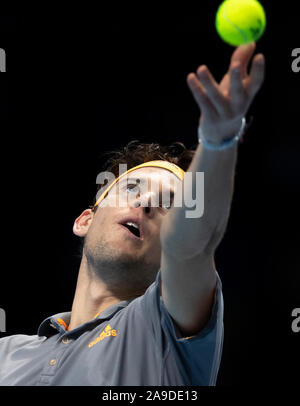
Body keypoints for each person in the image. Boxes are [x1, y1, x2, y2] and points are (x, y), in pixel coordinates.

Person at [0, 43, 265, 386]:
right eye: (132, 187)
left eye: (171, 205)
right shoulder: (7, 354)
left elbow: (190, 245)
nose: (148, 203)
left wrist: (217, 141)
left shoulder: (165, 331)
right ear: (85, 219)